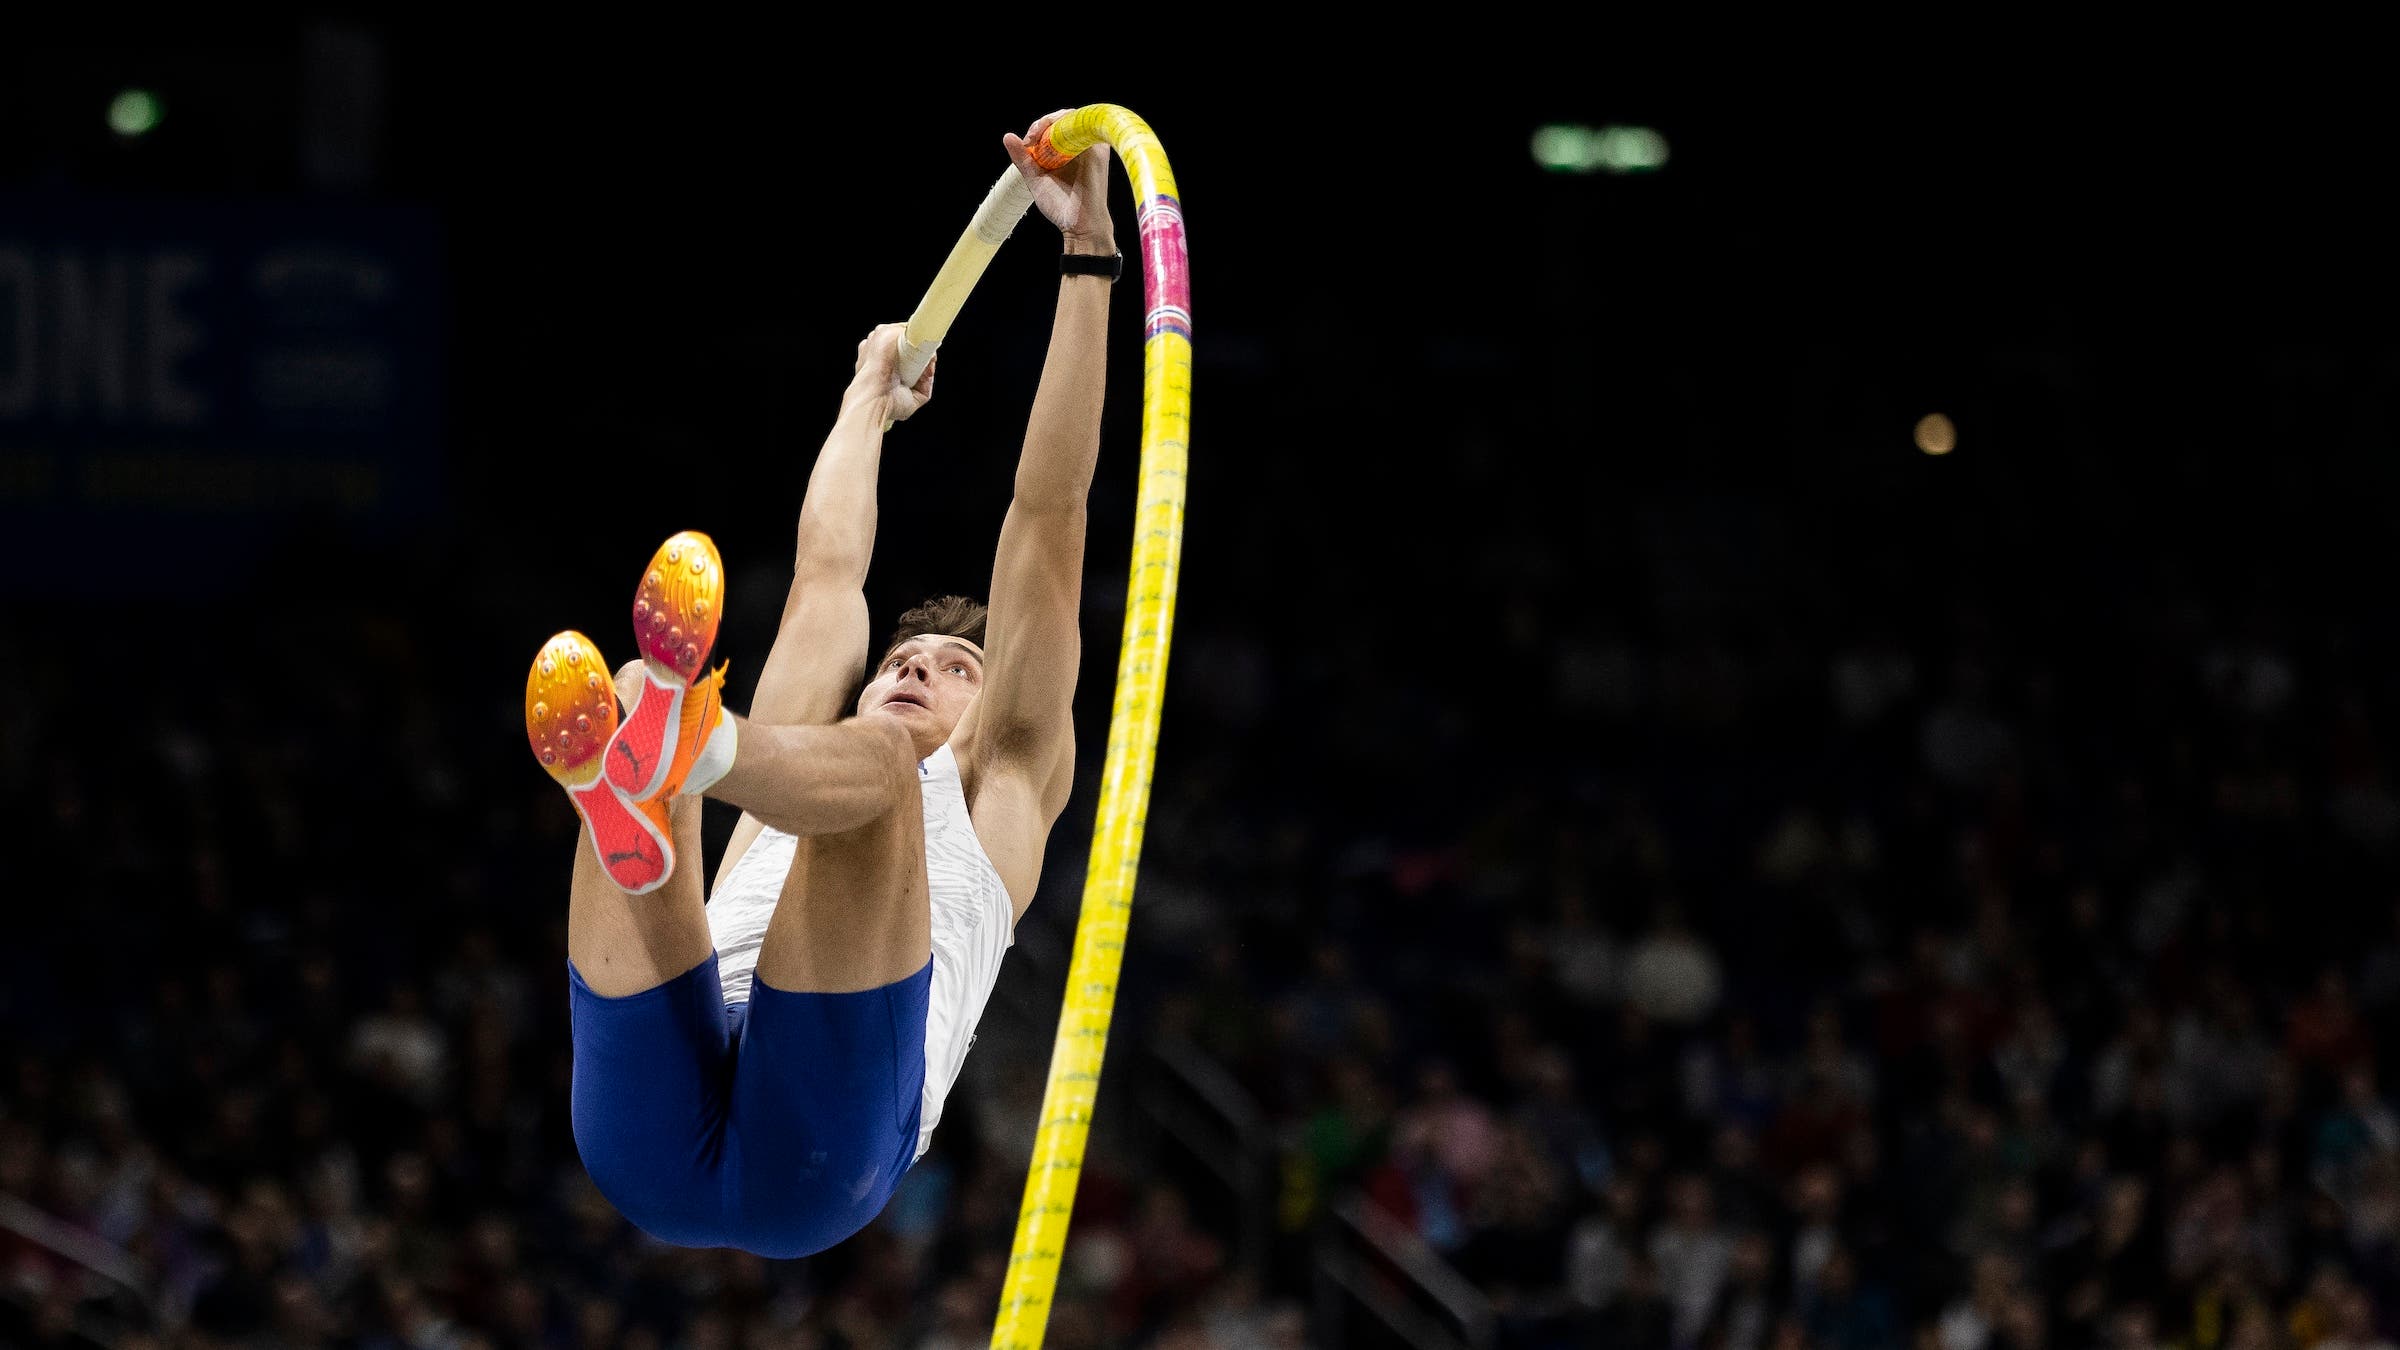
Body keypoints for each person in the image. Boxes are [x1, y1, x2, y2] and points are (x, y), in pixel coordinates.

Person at [518, 108, 1115, 1259]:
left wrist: (1086, 258)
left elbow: (1049, 515)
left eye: (952, 671)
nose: (910, 671)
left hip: (822, 1160)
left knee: (869, 775)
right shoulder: (817, 747)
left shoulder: (1005, 777)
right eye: (902, 660)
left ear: (997, 709)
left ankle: (673, 763)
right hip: (652, 1121)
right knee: (692, 741)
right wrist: (866, 402)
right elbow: (828, 576)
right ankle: (637, 788)